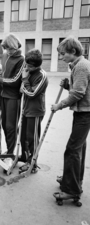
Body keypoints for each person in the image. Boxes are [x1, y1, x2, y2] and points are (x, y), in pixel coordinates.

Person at [51, 36, 90, 201]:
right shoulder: (79, 64)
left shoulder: (81, 66)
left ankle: (72, 189)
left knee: (72, 150)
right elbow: (80, 89)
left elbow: (78, 93)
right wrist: (68, 86)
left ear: (73, 51)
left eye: (63, 54)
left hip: (85, 113)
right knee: (78, 149)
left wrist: (59, 105)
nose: (62, 57)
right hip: (83, 111)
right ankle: (73, 180)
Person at [0, 33, 25, 169]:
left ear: (16, 46)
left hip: (14, 97)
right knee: (4, 125)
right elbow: (4, 74)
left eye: (11, 49)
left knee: (11, 127)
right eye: (6, 49)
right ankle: (9, 151)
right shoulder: (5, 56)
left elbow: (16, 80)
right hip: (4, 95)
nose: (9, 52)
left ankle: (10, 155)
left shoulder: (22, 60)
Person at [19, 49, 48, 173]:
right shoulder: (28, 71)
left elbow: (31, 93)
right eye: (26, 64)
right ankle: (26, 157)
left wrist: (25, 80)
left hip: (35, 111)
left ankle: (33, 163)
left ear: (38, 65)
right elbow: (22, 90)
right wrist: (25, 83)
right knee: (23, 136)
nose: (27, 67)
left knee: (32, 138)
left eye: (30, 66)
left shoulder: (42, 75)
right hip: (26, 109)